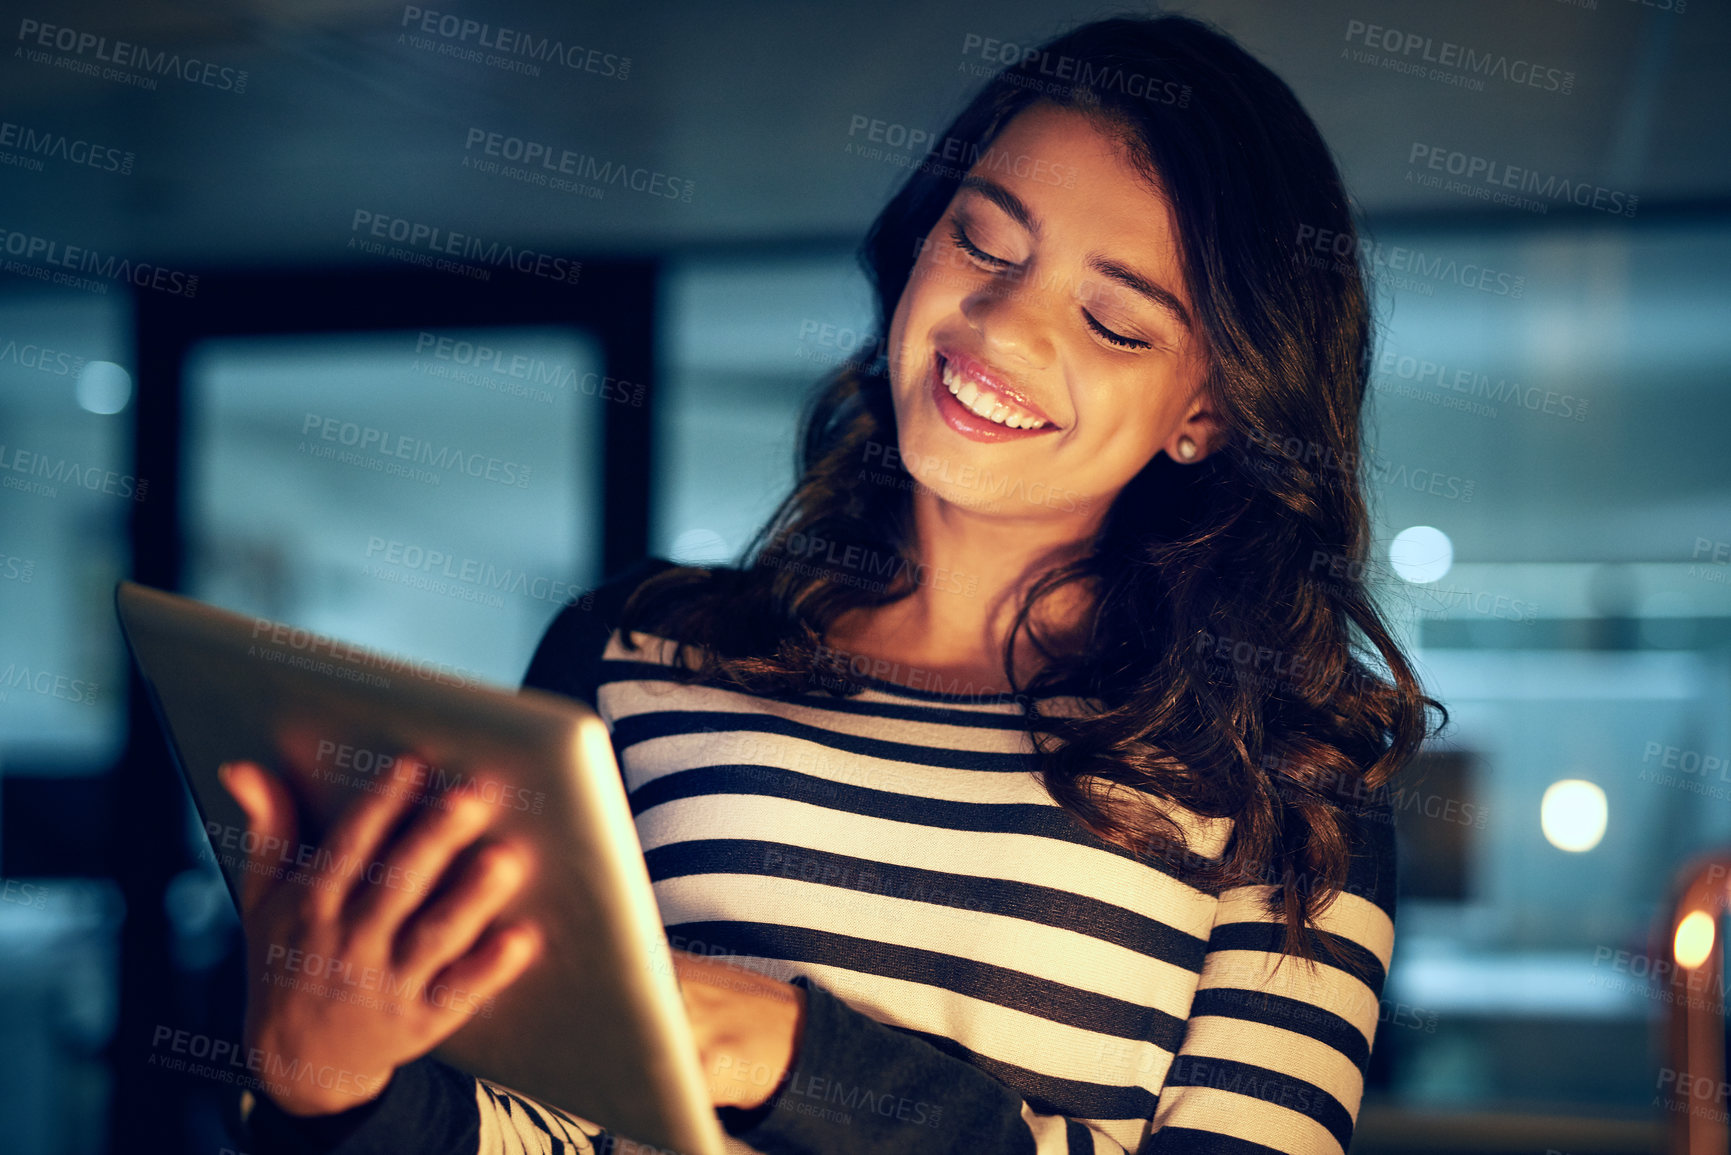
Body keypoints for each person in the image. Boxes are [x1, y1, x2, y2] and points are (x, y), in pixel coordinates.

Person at [221, 13, 1447, 1155]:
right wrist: (332, 1092)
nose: (1003, 329)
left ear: (1208, 412)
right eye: (983, 238)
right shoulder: (633, 652)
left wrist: (797, 1054)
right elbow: (535, 1123)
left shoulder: (1289, 768)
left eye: (1115, 322)